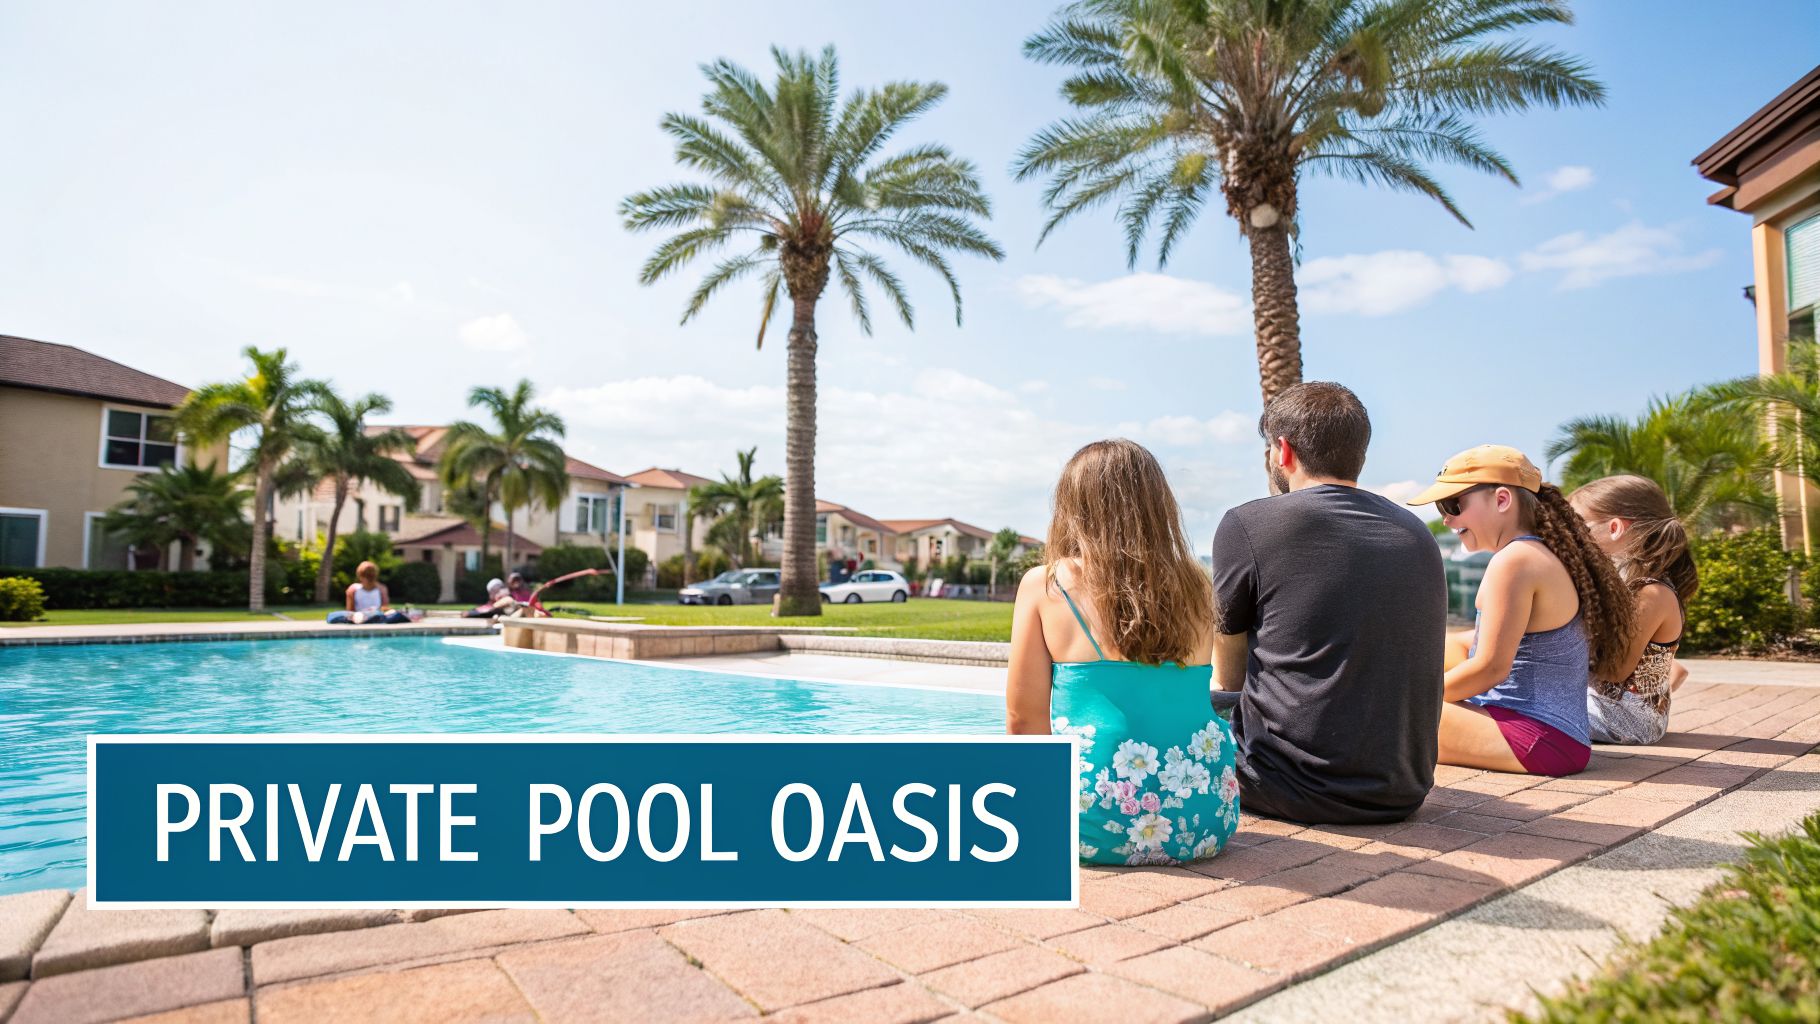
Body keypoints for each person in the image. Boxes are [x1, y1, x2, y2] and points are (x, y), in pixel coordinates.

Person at [1211, 382, 1445, 825]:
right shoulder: (1416, 532)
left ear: (1283, 451)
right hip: (1402, 790)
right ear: (1360, 453)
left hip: (1284, 784)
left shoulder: (1248, 523)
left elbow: (1229, 657)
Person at [1007, 439, 1238, 866]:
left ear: (1072, 507)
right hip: (1205, 820)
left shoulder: (1045, 584)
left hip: (1090, 826)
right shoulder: (1197, 584)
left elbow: (1024, 720)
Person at [1411, 446, 1634, 776]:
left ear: (1502, 500)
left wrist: (1410, 695)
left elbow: (1490, 669)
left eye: (1453, 504)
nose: (1446, 518)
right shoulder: (1539, 554)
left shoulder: (1514, 562)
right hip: (1556, 738)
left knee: (1379, 711)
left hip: (1538, 740)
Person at [1570, 475, 1697, 744]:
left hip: (1624, 718)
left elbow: (1614, 670)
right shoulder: (1630, 582)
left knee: (1515, 710)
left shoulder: (1651, 592)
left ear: (1615, 527)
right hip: (1614, 709)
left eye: (1578, 525)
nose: (1570, 534)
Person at [326, 561, 410, 624]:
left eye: (369, 575)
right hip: (360, 616)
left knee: (393, 614)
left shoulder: (381, 589)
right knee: (332, 615)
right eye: (366, 575)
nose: (368, 578)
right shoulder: (353, 589)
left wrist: (373, 611)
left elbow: (385, 609)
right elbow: (350, 611)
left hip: (375, 616)